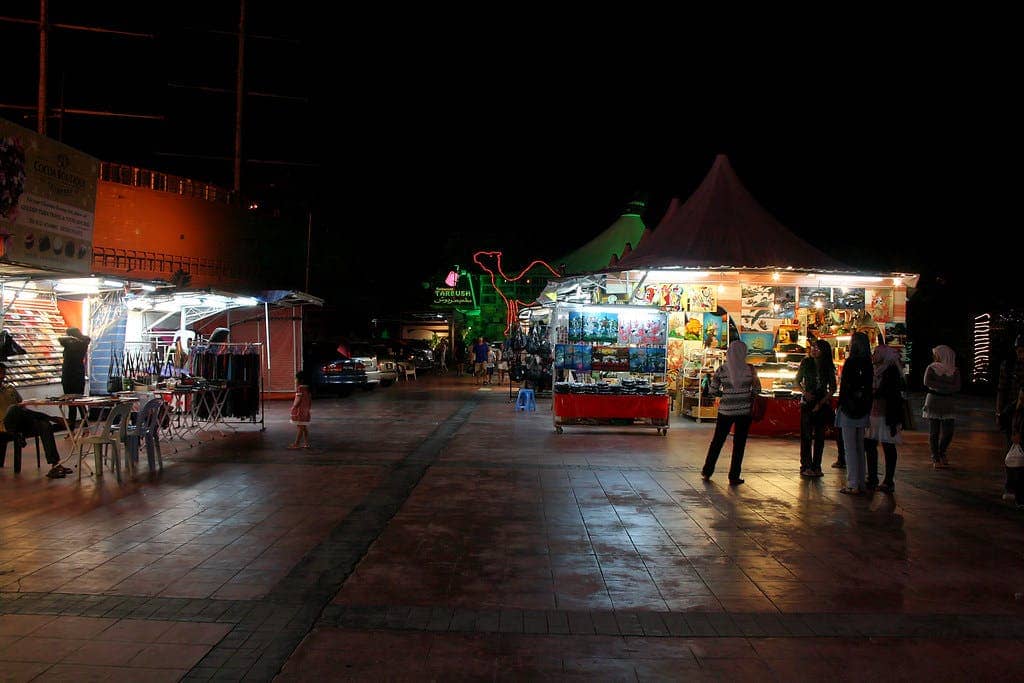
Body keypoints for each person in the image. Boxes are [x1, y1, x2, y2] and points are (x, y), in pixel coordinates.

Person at [701, 340, 760, 486]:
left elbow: (713, 391)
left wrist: (726, 394)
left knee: (717, 442)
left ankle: (707, 471)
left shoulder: (721, 370)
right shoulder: (750, 369)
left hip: (725, 411)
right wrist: (744, 394)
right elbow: (758, 390)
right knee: (739, 444)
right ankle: (734, 476)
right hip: (744, 412)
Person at [0, 363, 68, 478]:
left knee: (44, 425)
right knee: (13, 408)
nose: (2, 376)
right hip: (5, 424)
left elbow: (22, 406)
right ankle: (52, 418)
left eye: (3, 373)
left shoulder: (10, 389)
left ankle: (54, 464)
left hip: (21, 421)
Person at [864, 341, 905, 493]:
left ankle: (888, 480)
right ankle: (873, 477)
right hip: (874, 413)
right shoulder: (876, 370)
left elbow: (887, 393)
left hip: (887, 414)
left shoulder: (890, 371)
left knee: (887, 445)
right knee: (870, 444)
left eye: (876, 353)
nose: (873, 356)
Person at [836, 331, 873, 495]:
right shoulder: (868, 363)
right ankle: (860, 481)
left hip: (849, 409)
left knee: (849, 447)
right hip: (863, 408)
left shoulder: (851, 362)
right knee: (859, 446)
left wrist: (842, 404)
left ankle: (852, 483)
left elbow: (845, 387)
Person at [795, 338, 837, 478]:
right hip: (808, 401)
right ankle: (805, 465)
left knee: (819, 436)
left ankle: (817, 466)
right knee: (806, 436)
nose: (813, 350)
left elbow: (833, 388)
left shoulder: (828, 366)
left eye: (817, 348)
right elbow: (797, 380)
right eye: (813, 347)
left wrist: (822, 402)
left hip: (822, 402)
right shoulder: (806, 363)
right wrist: (804, 393)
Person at [922, 344, 961, 469]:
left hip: (948, 402)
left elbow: (957, 386)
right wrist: (945, 385)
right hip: (934, 400)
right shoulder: (931, 368)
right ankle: (935, 456)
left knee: (949, 432)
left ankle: (941, 451)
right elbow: (927, 382)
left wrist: (940, 385)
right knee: (934, 431)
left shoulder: (954, 370)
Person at [996, 337, 1024, 498]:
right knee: (1012, 449)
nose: (1021, 355)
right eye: (1019, 351)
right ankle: (1011, 486)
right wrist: (999, 412)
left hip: (1018, 411)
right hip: (1012, 412)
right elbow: (1001, 389)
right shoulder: (1009, 366)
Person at [57, 327, 91, 428]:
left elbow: (61, 339)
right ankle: (84, 426)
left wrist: (72, 339)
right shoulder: (81, 343)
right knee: (77, 403)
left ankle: (74, 427)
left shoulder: (75, 344)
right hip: (76, 375)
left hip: (70, 375)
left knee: (75, 402)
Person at [288, 370, 312, 449]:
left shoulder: (300, 388)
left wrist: (294, 407)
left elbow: (297, 400)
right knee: (304, 427)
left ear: (300, 380)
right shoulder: (308, 389)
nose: (295, 380)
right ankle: (306, 443)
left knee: (301, 427)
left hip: (300, 410)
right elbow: (309, 400)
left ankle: (296, 443)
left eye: (296, 378)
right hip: (306, 410)